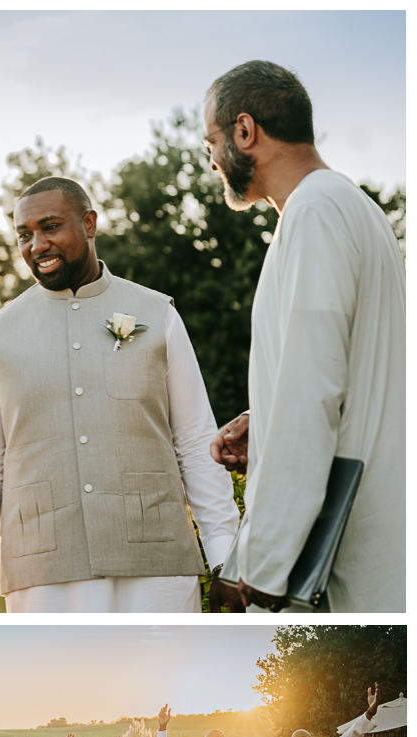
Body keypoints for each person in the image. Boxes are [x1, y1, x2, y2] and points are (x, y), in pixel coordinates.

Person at [0, 175, 239, 615]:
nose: (37, 245)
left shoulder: (157, 314)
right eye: (24, 235)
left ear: (89, 223)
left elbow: (198, 443)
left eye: (50, 227)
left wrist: (226, 556)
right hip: (43, 573)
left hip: (156, 566)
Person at [205, 61, 405, 614]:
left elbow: (311, 389)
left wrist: (261, 560)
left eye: (212, 143)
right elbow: (341, 373)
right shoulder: (350, 206)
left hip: (344, 542)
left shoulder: (315, 212)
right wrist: (265, 421)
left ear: (246, 132)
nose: (213, 161)